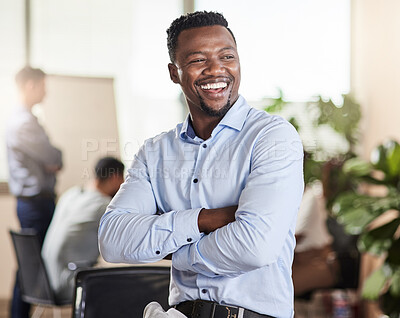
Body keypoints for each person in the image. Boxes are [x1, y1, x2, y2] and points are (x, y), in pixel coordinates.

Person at [99, 11, 304, 318]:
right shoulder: (155, 152)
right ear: (173, 72)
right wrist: (204, 220)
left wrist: (175, 251)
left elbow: (255, 247)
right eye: (198, 60)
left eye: (227, 56)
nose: (216, 70)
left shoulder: (272, 137)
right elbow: (113, 239)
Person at [6, 66, 63, 318]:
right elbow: (53, 156)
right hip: (35, 204)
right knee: (30, 268)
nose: (46, 92)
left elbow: (53, 159)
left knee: (31, 266)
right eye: (42, 86)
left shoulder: (26, 119)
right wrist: (53, 159)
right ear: (30, 85)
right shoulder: (22, 123)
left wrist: (53, 160)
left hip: (36, 202)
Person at [42, 156, 124, 302]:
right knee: (131, 284)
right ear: (115, 177)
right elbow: (124, 245)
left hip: (44, 280)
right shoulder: (103, 206)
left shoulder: (71, 194)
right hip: (69, 282)